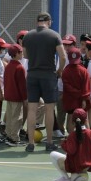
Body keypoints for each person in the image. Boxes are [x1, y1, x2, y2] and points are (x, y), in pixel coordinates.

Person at [23, 13, 67, 153]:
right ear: (48, 21)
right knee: (49, 109)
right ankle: (49, 141)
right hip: (48, 74)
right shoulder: (54, 35)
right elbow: (63, 57)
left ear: (37, 21)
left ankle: (30, 143)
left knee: (32, 109)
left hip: (32, 74)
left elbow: (25, 55)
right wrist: (59, 70)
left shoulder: (28, 36)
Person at [50, 108, 91, 181]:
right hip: (87, 166)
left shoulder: (72, 135)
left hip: (76, 166)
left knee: (52, 154)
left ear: (73, 122)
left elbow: (71, 150)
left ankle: (65, 178)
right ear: (85, 121)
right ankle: (70, 178)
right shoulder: (90, 133)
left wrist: (64, 143)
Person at [60, 46, 90, 133]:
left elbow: (66, 86)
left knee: (70, 118)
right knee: (85, 119)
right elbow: (86, 86)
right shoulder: (84, 71)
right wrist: (83, 98)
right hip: (81, 100)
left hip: (70, 100)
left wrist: (76, 93)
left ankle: (71, 138)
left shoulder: (65, 71)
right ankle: (87, 137)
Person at [1, 44, 27, 146]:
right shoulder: (20, 68)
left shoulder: (8, 67)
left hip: (10, 96)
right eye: (20, 52)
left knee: (11, 116)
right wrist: (25, 98)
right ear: (16, 54)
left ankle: (8, 135)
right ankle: (14, 139)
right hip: (17, 97)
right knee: (17, 118)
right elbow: (22, 86)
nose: (22, 53)